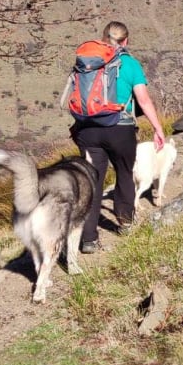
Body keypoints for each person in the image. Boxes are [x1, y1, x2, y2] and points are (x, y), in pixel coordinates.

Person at [71, 21, 166, 253]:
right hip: (120, 128)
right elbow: (143, 100)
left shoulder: (86, 62)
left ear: (103, 38)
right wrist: (158, 129)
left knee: (93, 182)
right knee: (124, 173)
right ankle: (125, 223)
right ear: (126, 41)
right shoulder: (131, 64)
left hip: (88, 130)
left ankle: (89, 239)